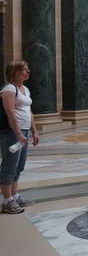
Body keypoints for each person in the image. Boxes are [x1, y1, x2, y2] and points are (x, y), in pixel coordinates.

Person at [0, 61, 39, 214]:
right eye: (23, 70)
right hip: (12, 132)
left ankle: (15, 196)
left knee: (19, 166)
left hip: (23, 131)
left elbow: (29, 112)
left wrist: (34, 131)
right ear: (14, 72)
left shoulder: (25, 89)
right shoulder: (9, 88)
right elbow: (10, 112)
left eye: (27, 69)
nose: (27, 71)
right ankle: (7, 201)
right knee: (9, 167)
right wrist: (18, 133)